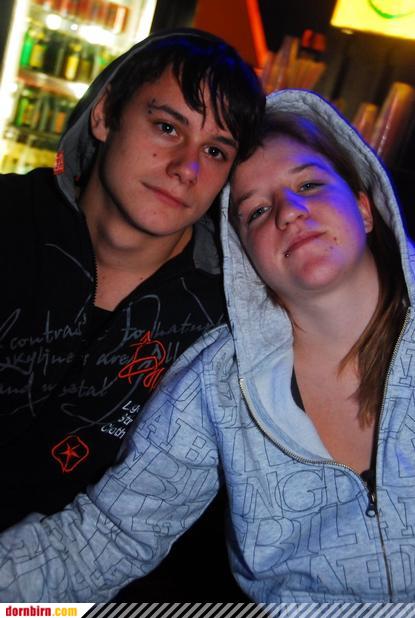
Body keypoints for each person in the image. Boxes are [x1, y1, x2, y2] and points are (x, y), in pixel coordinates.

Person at [1, 88, 413, 603]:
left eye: (308, 184)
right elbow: (107, 540)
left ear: (364, 208)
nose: (288, 212)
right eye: (256, 211)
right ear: (244, 257)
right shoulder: (215, 384)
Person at [0, 28, 264, 600]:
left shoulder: (223, 325)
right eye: (167, 127)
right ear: (104, 116)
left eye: (215, 151)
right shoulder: (10, 221)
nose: (186, 167)